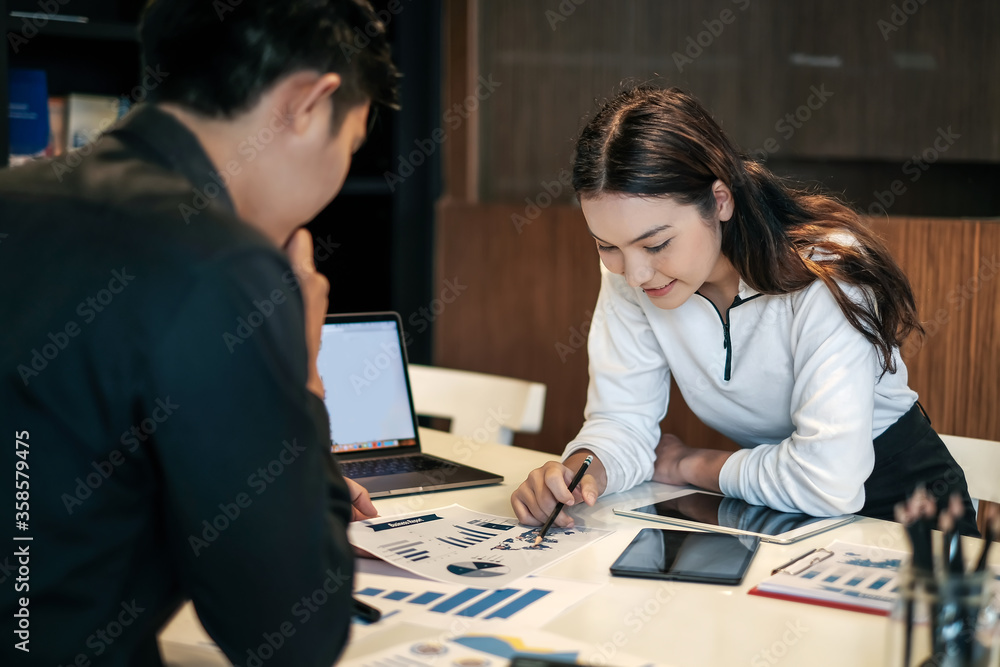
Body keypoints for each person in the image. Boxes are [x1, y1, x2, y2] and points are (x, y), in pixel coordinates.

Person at [0, 1, 399, 665]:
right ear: (310, 102)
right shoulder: (223, 265)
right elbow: (295, 637)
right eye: (350, 145)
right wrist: (302, 369)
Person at [511, 86, 979, 538]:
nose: (634, 273)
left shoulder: (828, 274)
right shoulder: (631, 274)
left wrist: (687, 464)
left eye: (656, 244)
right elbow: (622, 421)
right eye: (607, 245)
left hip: (906, 515)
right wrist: (575, 474)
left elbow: (827, 480)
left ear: (719, 200)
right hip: (782, 510)